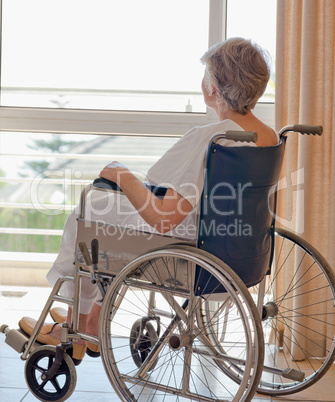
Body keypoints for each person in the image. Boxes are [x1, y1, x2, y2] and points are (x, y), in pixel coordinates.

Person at [19, 37, 278, 363]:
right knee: (111, 217)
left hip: (189, 251)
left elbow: (164, 218)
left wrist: (122, 175)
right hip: (239, 250)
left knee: (88, 213)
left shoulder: (211, 139)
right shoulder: (267, 137)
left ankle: (79, 323)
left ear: (213, 88)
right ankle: (91, 319)